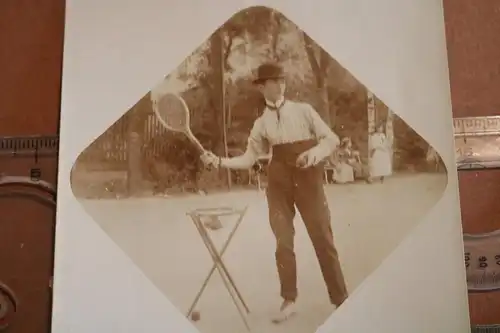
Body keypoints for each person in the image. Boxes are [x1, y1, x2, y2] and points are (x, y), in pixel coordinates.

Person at [200, 63, 348, 323]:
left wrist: (313, 154)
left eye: (282, 80)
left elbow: (331, 139)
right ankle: (289, 299)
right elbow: (248, 159)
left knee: (323, 238)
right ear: (261, 87)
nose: (280, 85)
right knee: (283, 242)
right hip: (278, 182)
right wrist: (219, 161)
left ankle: (341, 299)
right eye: (273, 81)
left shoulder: (304, 111)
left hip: (309, 179)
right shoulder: (261, 123)